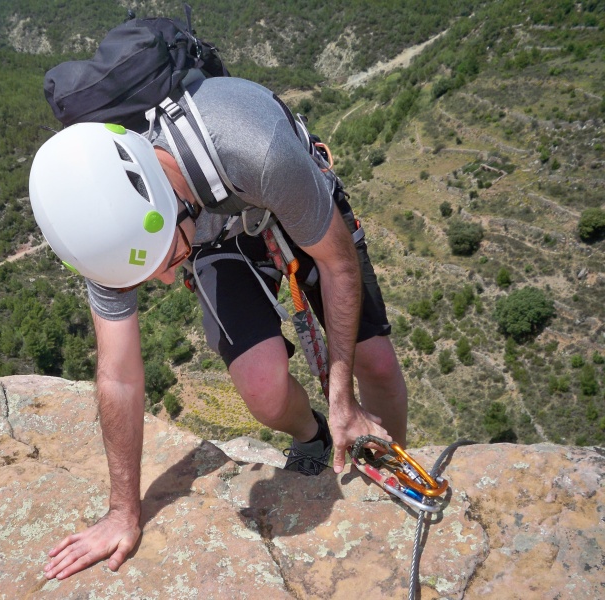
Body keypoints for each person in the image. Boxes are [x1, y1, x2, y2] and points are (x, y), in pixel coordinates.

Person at [28, 76, 408, 580]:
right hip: (217, 236)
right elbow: (118, 374)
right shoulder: (109, 240)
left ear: (171, 208)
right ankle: (314, 437)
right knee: (263, 390)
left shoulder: (255, 149)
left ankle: (388, 466)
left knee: (374, 361)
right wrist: (124, 512)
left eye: (169, 260)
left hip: (274, 193)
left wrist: (345, 398)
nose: (164, 280)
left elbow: (338, 265)